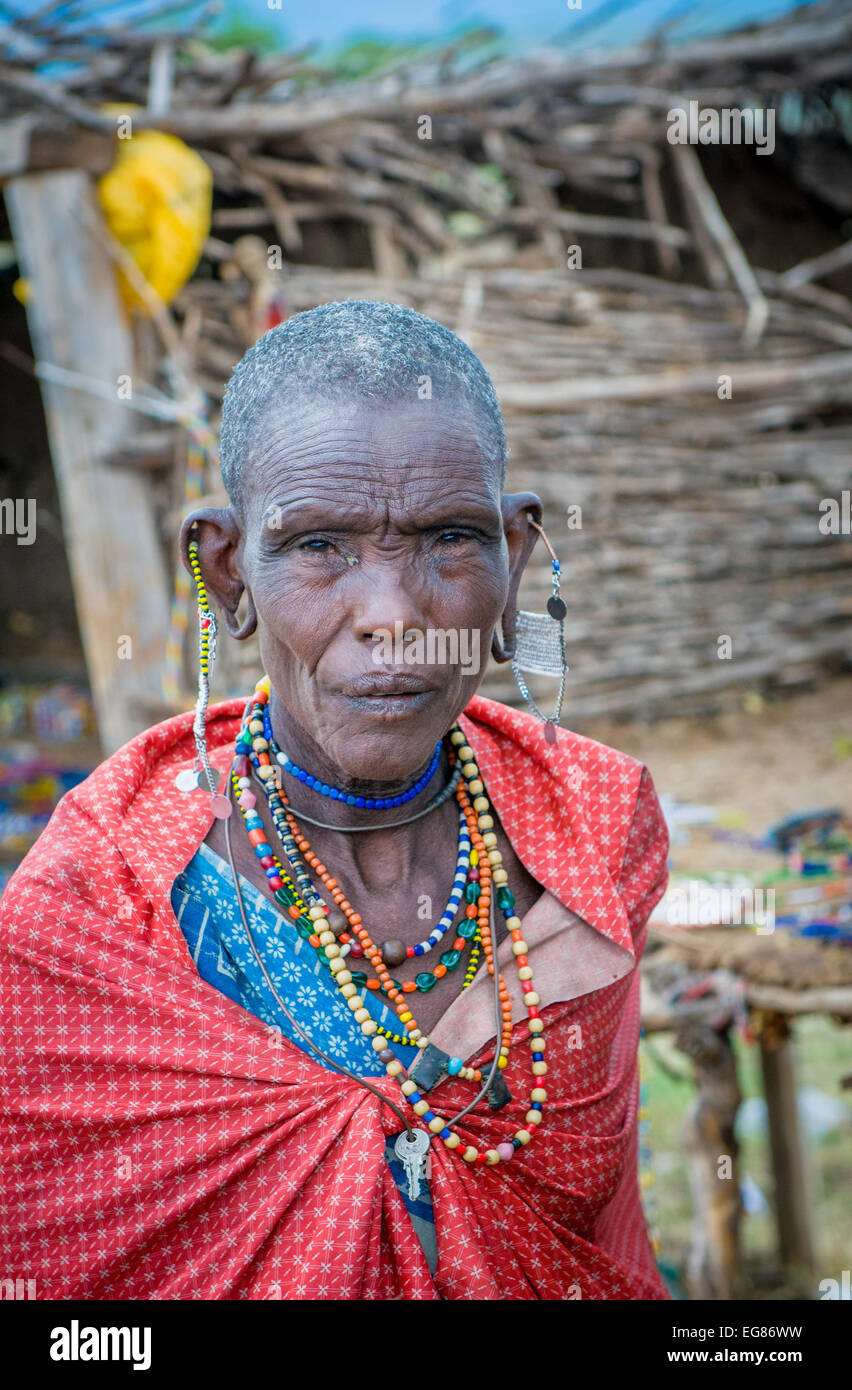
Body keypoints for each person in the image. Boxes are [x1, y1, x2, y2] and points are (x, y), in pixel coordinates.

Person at [0, 300, 669, 1300]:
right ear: (228, 571)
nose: (393, 617)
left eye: (449, 539)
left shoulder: (594, 829)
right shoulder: (108, 892)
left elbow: (593, 1225)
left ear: (513, 556)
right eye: (319, 546)